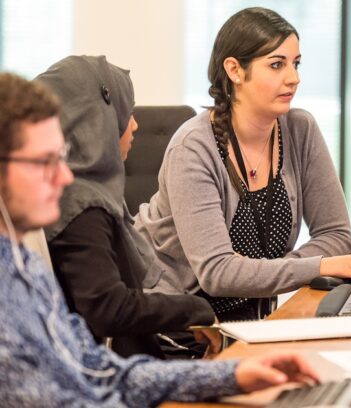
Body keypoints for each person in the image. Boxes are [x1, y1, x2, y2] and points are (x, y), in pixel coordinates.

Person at [0, 71, 319, 406]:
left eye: (60, 157)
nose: (64, 176)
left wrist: (231, 375)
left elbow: (100, 370)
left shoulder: (24, 266)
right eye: (43, 161)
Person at [135, 7, 351, 321]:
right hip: (180, 326)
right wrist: (318, 265)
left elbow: (335, 235)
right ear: (234, 70)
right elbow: (217, 273)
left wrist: (270, 272)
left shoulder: (300, 130)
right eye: (276, 65)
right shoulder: (194, 148)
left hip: (252, 320)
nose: (293, 78)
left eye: (295, 64)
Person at [36, 55, 218, 359]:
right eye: (126, 112)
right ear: (97, 119)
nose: (134, 125)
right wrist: (195, 309)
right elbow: (107, 308)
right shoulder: (82, 205)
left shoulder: (79, 193)